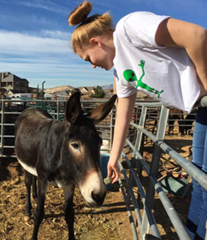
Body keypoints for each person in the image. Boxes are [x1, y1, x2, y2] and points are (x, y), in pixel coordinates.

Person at [68, 1, 207, 239]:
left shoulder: (129, 28)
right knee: (198, 176)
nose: (92, 65)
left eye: (88, 58)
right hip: (202, 110)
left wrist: (206, 86)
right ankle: (193, 234)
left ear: (96, 42)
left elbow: (197, 35)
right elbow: (123, 112)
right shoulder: (120, 73)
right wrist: (114, 158)